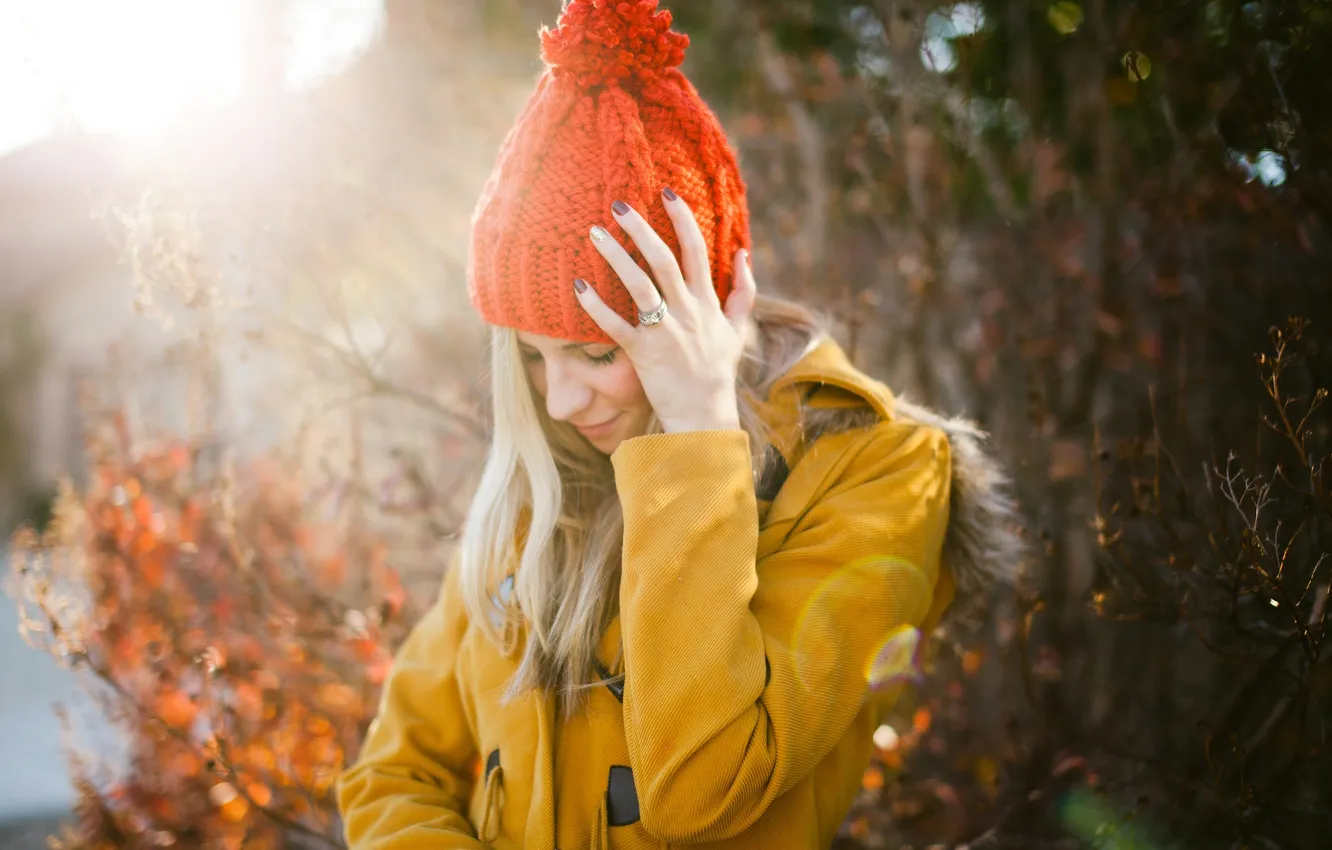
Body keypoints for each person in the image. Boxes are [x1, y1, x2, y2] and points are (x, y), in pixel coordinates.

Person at [336, 1, 1018, 847]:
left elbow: (702, 790)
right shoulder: (542, 485)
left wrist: (697, 429)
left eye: (594, 355)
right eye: (534, 356)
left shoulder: (879, 471)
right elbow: (392, 773)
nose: (558, 402)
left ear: (704, 310)